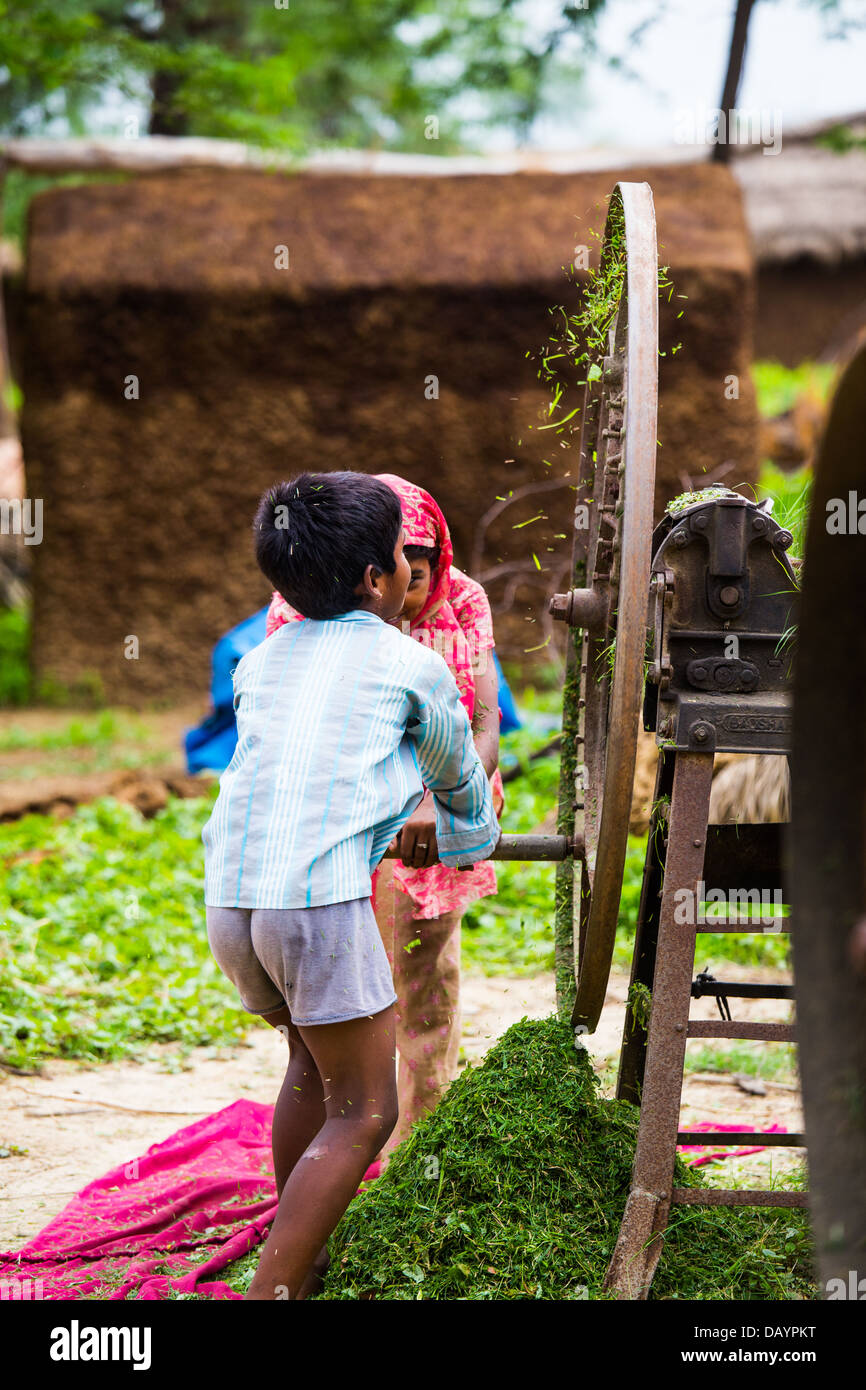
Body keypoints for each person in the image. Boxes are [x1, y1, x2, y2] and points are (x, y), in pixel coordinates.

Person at [202, 470, 499, 1300]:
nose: (416, 572)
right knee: (367, 1111)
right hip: (314, 907)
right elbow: (460, 781)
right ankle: (277, 1289)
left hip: (232, 900)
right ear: (377, 579)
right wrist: (472, 840)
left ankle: (308, 1249)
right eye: (404, 561)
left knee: (308, 1059)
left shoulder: (259, 661)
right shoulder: (410, 662)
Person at [266, 473, 504, 1166]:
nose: (406, 593)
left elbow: (483, 719)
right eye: (397, 571)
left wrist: (438, 797)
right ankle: (339, 1154)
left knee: (423, 985)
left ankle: (413, 1158)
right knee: (343, 998)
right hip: (338, 819)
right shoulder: (307, 611)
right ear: (363, 571)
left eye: (420, 573)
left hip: (441, 808)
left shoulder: (461, 602)